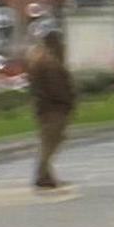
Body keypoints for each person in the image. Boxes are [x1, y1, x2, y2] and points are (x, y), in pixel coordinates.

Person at [26, 29, 78, 192]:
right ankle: (42, 175)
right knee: (50, 143)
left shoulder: (40, 59)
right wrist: (68, 102)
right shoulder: (50, 63)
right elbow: (57, 88)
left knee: (50, 141)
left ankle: (47, 175)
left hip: (46, 108)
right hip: (54, 109)